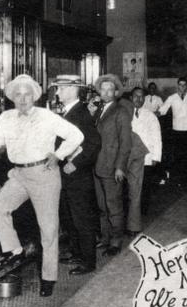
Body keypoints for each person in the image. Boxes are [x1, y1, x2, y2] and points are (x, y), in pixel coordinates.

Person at [0, 74, 84, 297]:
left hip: (44, 175)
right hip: (19, 174)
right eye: (18, 94)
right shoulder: (6, 117)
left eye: (27, 94)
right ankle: (14, 249)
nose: (22, 98)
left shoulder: (46, 116)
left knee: (48, 229)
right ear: (12, 97)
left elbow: (76, 135)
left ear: (34, 96)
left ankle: (48, 278)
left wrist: (58, 155)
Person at [53, 75, 101, 276]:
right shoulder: (69, 112)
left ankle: (88, 261)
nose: (57, 93)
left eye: (60, 89)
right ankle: (77, 253)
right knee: (70, 218)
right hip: (66, 175)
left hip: (77, 176)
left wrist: (75, 163)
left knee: (82, 219)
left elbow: (93, 143)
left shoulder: (80, 113)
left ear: (72, 90)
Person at [90, 74, 132, 257]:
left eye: (110, 89)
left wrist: (120, 167)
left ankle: (116, 241)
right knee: (101, 205)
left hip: (112, 165)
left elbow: (126, 142)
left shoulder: (120, 111)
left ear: (116, 92)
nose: (106, 92)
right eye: (103, 89)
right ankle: (105, 238)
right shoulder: (99, 110)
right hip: (97, 164)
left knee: (113, 206)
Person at [129, 87, 162, 229]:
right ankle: (132, 213)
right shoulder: (125, 114)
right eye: (136, 96)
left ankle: (142, 213)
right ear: (131, 98)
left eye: (141, 97)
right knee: (130, 187)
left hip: (146, 156)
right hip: (129, 157)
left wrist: (156, 156)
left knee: (145, 186)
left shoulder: (150, 115)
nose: (139, 99)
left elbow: (157, 137)